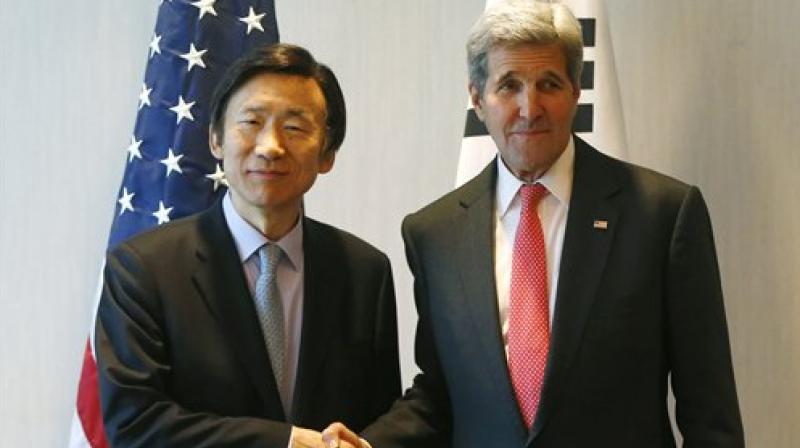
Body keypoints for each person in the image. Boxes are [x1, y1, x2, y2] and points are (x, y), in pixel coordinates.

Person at [324, 1, 744, 447]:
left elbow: (709, 412)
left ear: (576, 90)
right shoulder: (434, 234)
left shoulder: (662, 215)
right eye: (508, 86)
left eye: (549, 83)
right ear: (476, 98)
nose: (530, 108)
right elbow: (440, 396)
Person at [95, 43, 401, 448]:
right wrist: (286, 443)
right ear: (216, 140)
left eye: (294, 127)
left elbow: (378, 417)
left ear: (327, 154)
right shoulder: (142, 269)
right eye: (252, 122)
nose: (270, 146)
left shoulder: (365, 271)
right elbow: (136, 424)